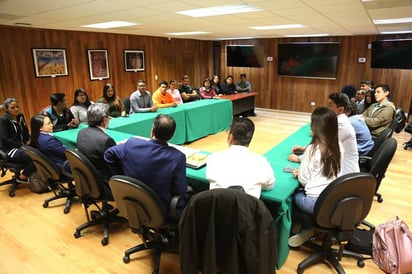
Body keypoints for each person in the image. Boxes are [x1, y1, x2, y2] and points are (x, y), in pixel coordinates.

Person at [104, 114, 188, 217]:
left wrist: (121, 176)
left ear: (152, 131)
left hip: (131, 200)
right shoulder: (177, 157)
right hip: (159, 209)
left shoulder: (132, 143)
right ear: (172, 135)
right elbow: (180, 189)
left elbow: (108, 154)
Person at [288, 106, 343, 247]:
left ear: (315, 127)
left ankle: (300, 229)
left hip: (315, 203)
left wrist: (298, 173)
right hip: (334, 200)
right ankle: (309, 229)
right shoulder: (339, 146)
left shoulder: (313, 150)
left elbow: (304, 180)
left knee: (292, 196)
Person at [289, 93, 359, 175]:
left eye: (330, 105)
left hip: (344, 172)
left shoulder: (341, 124)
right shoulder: (337, 120)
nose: (326, 108)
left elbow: (323, 149)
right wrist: (304, 149)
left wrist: (300, 159)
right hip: (336, 167)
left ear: (340, 109)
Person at [206, 117, 275, 199]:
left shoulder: (213, 158)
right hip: (247, 211)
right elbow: (270, 185)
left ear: (230, 137)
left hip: (216, 210)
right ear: (250, 139)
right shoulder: (262, 162)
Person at [77, 103, 116, 187]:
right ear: (104, 119)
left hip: (88, 179)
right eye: (108, 116)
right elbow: (116, 165)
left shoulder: (81, 132)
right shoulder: (106, 140)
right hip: (105, 182)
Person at [0, 98, 36, 183]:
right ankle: (22, 177)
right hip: (9, 149)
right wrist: (21, 146)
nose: (16, 109)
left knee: (40, 152)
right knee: (34, 157)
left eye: (17, 107)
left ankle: (27, 175)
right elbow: (4, 139)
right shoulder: (3, 120)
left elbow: (25, 131)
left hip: (22, 146)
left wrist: (29, 141)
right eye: (12, 108)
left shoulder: (20, 116)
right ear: (6, 109)